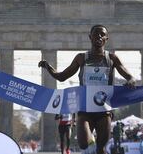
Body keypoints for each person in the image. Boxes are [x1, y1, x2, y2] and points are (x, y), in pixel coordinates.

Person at [39, 25, 136, 154]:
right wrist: (48, 67)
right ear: (90, 37)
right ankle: (91, 141)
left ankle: (97, 145)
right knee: (84, 144)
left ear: (106, 38)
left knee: (101, 149)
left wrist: (130, 81)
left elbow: (130, 77)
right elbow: (62, 77)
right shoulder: (81, 58)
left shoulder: (112, 58)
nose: (99, 37)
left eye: (102, 34)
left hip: (104, 110)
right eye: (96, 34)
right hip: (85, 110)